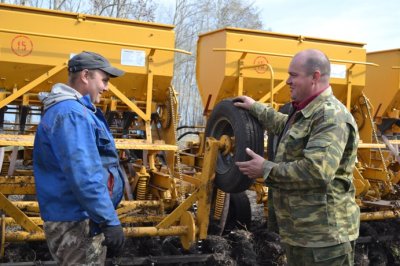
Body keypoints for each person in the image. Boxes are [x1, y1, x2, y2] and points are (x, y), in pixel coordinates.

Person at [234, 49, 360, 266]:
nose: (287, 81)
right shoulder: (307, 112)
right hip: (302, 235)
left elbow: (317, 171)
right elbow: (287, 127)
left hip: (324, 241)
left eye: (294, 75)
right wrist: (256, 108)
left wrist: (265, 168)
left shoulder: (331, 116)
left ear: (315, 77)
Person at [33, 51, 126, 265]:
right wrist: (109, 221)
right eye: (103, 80)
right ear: (85, 76)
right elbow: (85, 175)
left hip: (78, 217)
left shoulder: (71, 111)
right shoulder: (72, 114)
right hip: (76, 221)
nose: (106, 87)